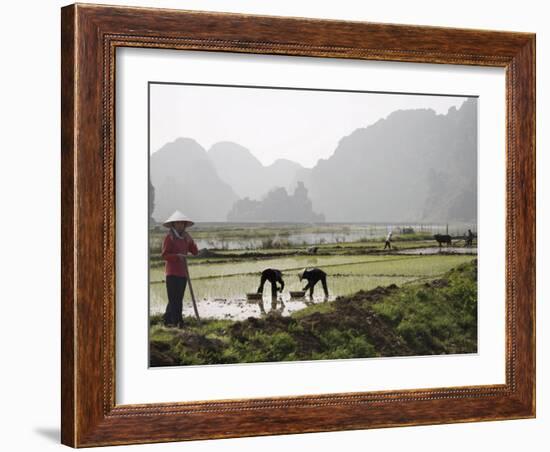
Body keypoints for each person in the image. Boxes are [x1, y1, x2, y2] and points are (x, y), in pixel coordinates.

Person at [160, 210, 199, 327]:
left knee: (178, 298)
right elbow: (165, 255)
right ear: (173, 225)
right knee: (174, 299)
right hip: (172, 273)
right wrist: (177, 256)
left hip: (183, 273)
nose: (180, 226)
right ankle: (178, 322)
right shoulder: (169, 238)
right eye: (178, 223)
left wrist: (191, 241)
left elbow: (195, 252)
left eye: (182, 223)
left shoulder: (185, 238)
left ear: (185, 225)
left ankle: (168, 320)